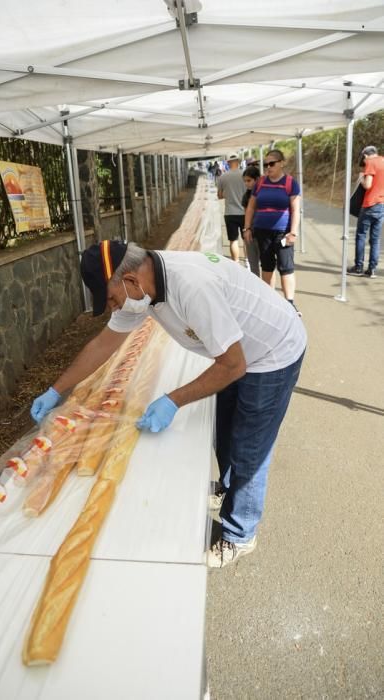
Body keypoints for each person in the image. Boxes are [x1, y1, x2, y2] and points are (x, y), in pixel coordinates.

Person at [31, 241, 307, 568]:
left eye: (112, 300)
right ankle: (228, 489)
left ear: (131, 280)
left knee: (250, 445)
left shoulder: (190, 287)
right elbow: (103, 344)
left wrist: (173, 400)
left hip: (273, 350)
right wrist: (56, 389)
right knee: (225, 428)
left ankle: (240, 534)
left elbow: (233, 367)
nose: (114, 309)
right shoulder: (142, 290)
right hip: (240, 351)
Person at [243, 149, 301, 313]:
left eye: (272, 163)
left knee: (286, 267)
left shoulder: (290, 183)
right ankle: (270, 301)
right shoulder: (260, 182)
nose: (268, 167)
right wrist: (247, 227)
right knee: (267, 266)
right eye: (266, 164)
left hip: (283, 232)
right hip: (262, 232)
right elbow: (251, 207)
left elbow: (296, 209)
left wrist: (293, 232)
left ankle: (289, 303)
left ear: (282, 163)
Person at [347, 145, 384, 278]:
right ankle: (372, 270)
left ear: (365, 155)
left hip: (370, 204)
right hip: (381, 205)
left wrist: (361, 177)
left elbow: (367, 185)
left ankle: (358, 267)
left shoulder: (370, 162)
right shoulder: (383, 161)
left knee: (361, 235)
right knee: (375, 239)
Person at [217, 154, 246, 263]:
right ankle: (247, 261)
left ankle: (236, 262)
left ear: (228, 162)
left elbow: (219, 196)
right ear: (238, 161)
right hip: (245, 213)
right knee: (246, 240)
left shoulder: (222, 177)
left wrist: (228, 194)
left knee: (233, 240)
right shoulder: (245, 175)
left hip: (230, 213)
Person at [241, 165, 261, 276]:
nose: (246, 183)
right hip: (251, 232)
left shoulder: (264, 194)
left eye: (249, 180)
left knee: (267, 265)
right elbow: (246, 214)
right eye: (245, 181)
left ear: (257, 179)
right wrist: (246, 229)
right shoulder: (246, 196)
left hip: (264, 232)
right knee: (253, 264)